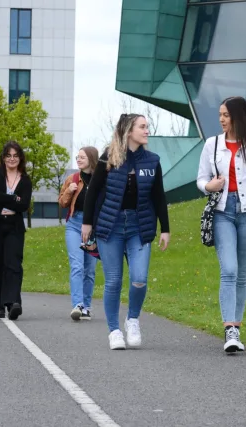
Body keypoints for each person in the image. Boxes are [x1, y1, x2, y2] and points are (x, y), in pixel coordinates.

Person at [82, 113, 170, 350]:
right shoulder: (108, 158)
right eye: (142, 127)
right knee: (113, 281)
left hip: (139, 227)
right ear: (129, 130)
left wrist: (165, 228)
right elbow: (93, 191)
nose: (147, 130)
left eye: (147, 126)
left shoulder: (152, 161)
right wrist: (87, 222)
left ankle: (132, 319)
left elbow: (159, 196)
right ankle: (114, 331)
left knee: (139, 278)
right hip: (110, 227)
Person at [196, 96, 246, 353]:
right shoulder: (212, 144)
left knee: (242, 273)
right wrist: (210, 186)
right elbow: (201, 179)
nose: (221, 119)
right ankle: (229, 330)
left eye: (226, 115)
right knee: (228, 269)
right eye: (220, 114)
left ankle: (236, 329)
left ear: (238, 117)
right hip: (222, 212)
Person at [0, 141, 32, 320]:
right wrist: (13, 199)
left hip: (14, 226)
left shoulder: (25, 179)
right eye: (8, 156)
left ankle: (13, 302)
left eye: (15, 156)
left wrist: (4, 199)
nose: (12, 159)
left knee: (13, 264)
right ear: (3, 158)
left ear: (20, 158)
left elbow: (24, 204)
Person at [58, 146, 100, 321]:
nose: (78, 159)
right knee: (77, 265)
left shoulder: (101, 179)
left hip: (94, 228)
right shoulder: (72, 178)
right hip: (75, 225)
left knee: (89, 270)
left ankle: (87, 307)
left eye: (82, 157)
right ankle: (78, 305)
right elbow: (62, 203)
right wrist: (69, 191)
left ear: (91, 158)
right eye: (77, 157)